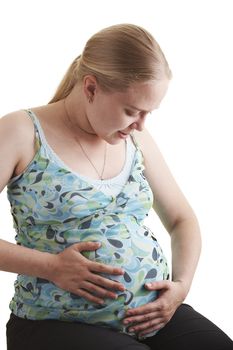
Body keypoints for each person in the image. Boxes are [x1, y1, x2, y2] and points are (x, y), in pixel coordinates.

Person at [0, 23, 232, 350]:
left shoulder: (136, 138)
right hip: (54, 320)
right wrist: (51, 267)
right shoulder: (21, 132)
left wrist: (181, 287)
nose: (140, 124)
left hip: (151, 313)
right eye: (130, 111)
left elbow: (182, 219)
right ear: (91, 88)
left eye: (148, 113)